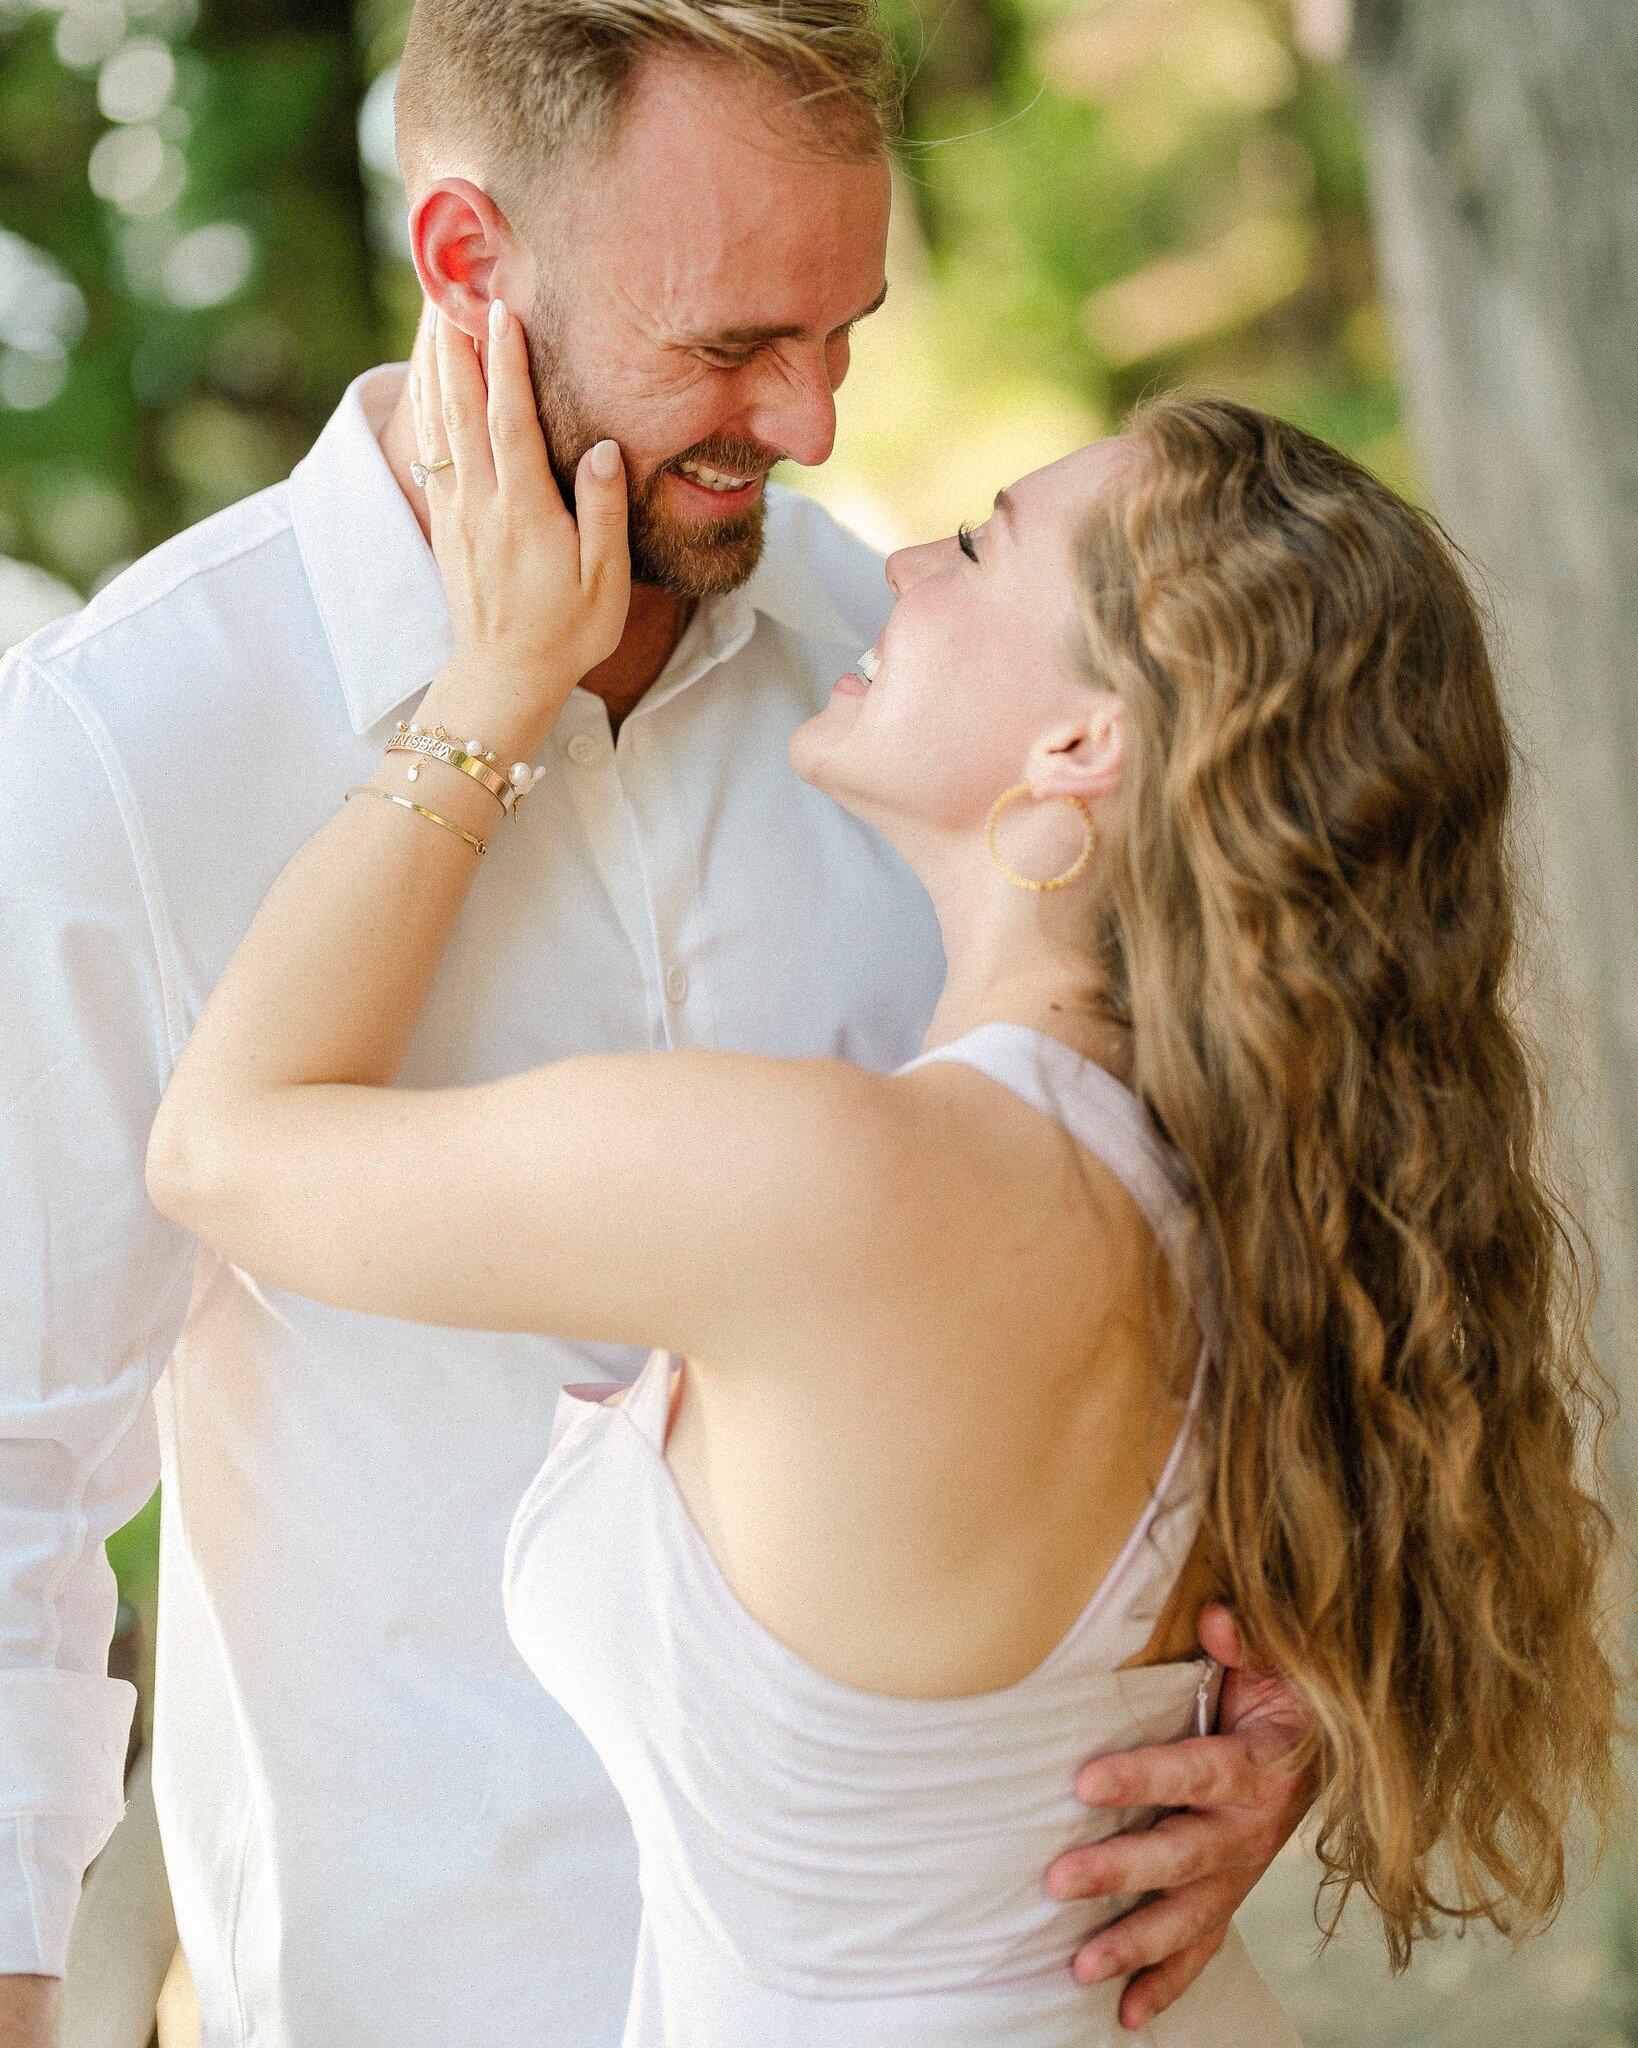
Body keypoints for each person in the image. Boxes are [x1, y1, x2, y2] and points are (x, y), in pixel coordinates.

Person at [0, 4, 1311, 2045]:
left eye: (846, 330)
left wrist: (1271, 1683)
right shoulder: (115, 756)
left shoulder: (908, 694)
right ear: (466, 264)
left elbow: (1188, 1263)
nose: (806, 426)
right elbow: (12, 1503)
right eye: (731, 345)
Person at [145, 305, 1620, 2044]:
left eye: (987, 543)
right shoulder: (1289, 1221)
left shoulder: (837, 1183)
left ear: (1082, 747)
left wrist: (489, 687)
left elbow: (223, 1147)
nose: (908, 556)